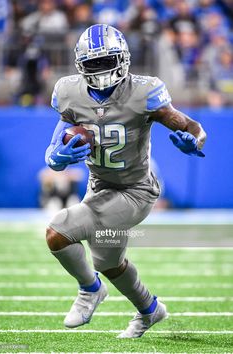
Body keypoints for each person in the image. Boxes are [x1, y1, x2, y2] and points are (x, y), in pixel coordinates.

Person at [45, 24, 207, 338]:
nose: (103, 69)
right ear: (81, 65)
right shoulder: (69, 92)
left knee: (58, 232)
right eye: (95, 63)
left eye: (109, 61)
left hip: (137, 189)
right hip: (99, 186)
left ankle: (89, 290)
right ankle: (149, 310)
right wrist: (57, 158)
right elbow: (53, 150)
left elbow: (188, 123)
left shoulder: (144, 91)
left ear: (124, 59)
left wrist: (196, 140)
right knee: (109, 262)